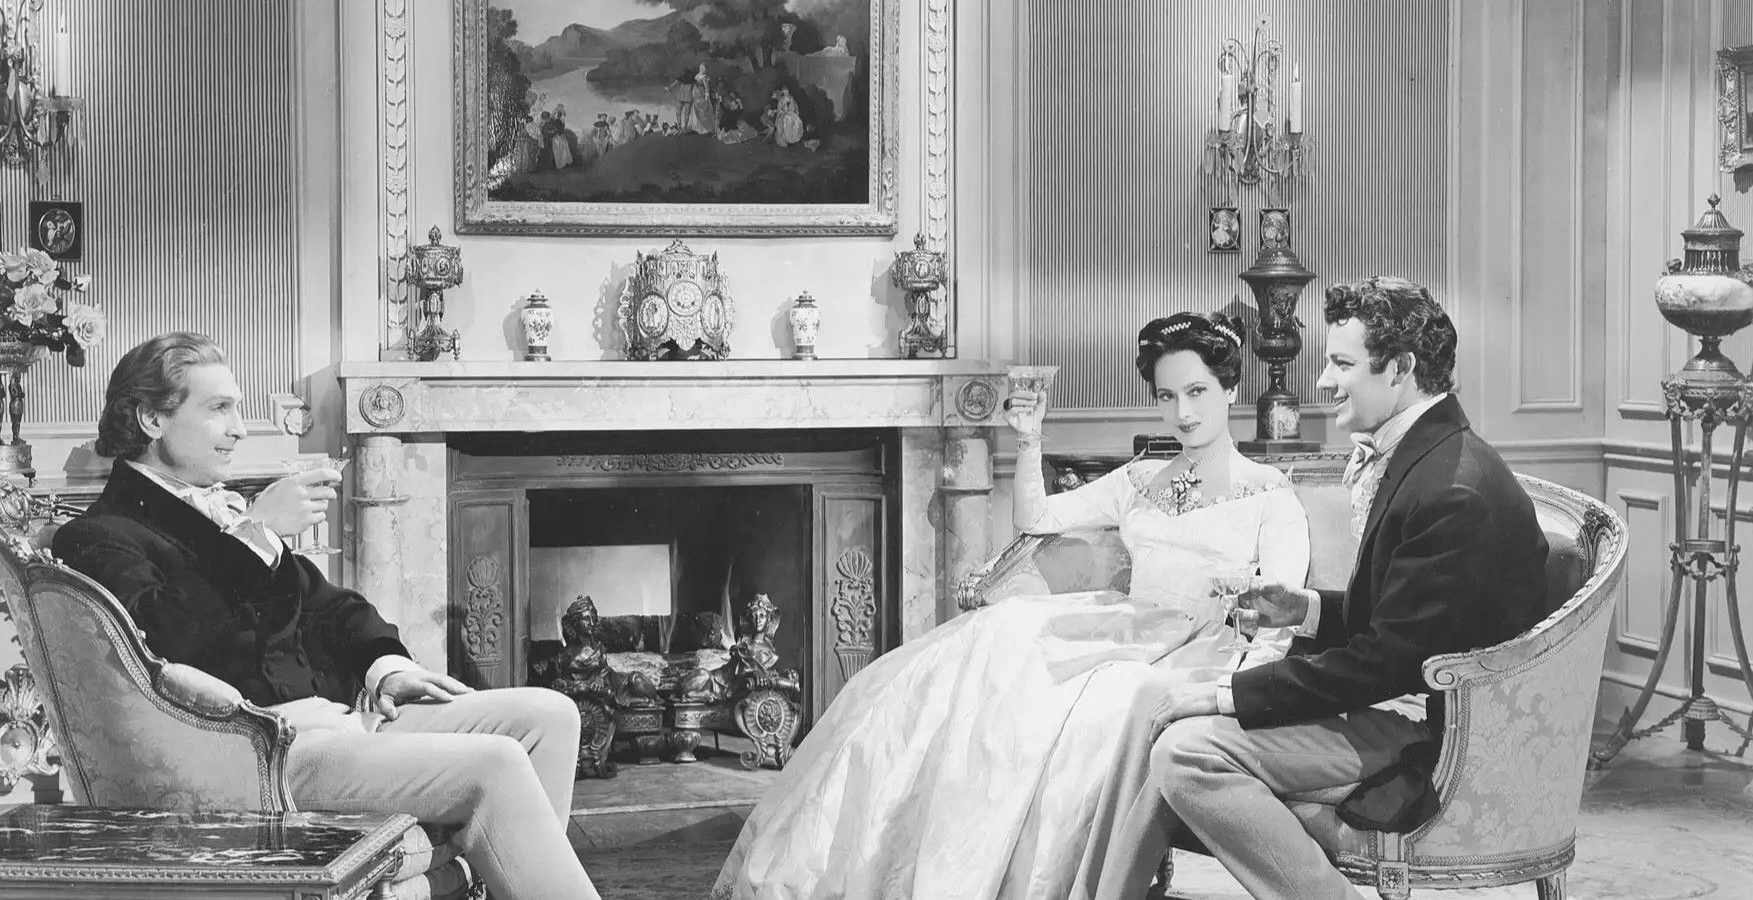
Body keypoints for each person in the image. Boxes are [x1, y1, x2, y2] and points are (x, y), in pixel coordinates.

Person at [710, 312, 1311, 900]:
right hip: (1128, 626)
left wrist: (1236, 690)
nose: (1182, 412)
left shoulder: (1269, 494)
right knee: (995, 641)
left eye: (1197, 392)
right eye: (1167, 396)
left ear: (1231, 389)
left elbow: (1280, 619)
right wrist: (1029, 440)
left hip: (1200, 650)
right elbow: (1039, 519)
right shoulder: (1139, 480)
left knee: (1101, 698)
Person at [51, 333, 603, 900]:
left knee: (550, 715)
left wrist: (386, 667)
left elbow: (330, 606)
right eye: (219, 408)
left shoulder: (221, 513)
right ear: (151, 419)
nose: (241, 429)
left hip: (338, 722)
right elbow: (173, 643)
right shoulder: (97, 536)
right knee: (496, 762)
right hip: (260, 754)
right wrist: (255, 533)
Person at [1094, 277, 1550, 900]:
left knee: (1187, 753)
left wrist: (1226, 695)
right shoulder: (1432, 457)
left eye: (1342, 363)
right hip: (1398, 701)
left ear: (1400, 369)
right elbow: (1405, 622)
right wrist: (1303, 609)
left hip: (1440, 737)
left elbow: (1388, 662)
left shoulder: (1452, 488)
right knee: (1164, 729)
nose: (1323, 381)